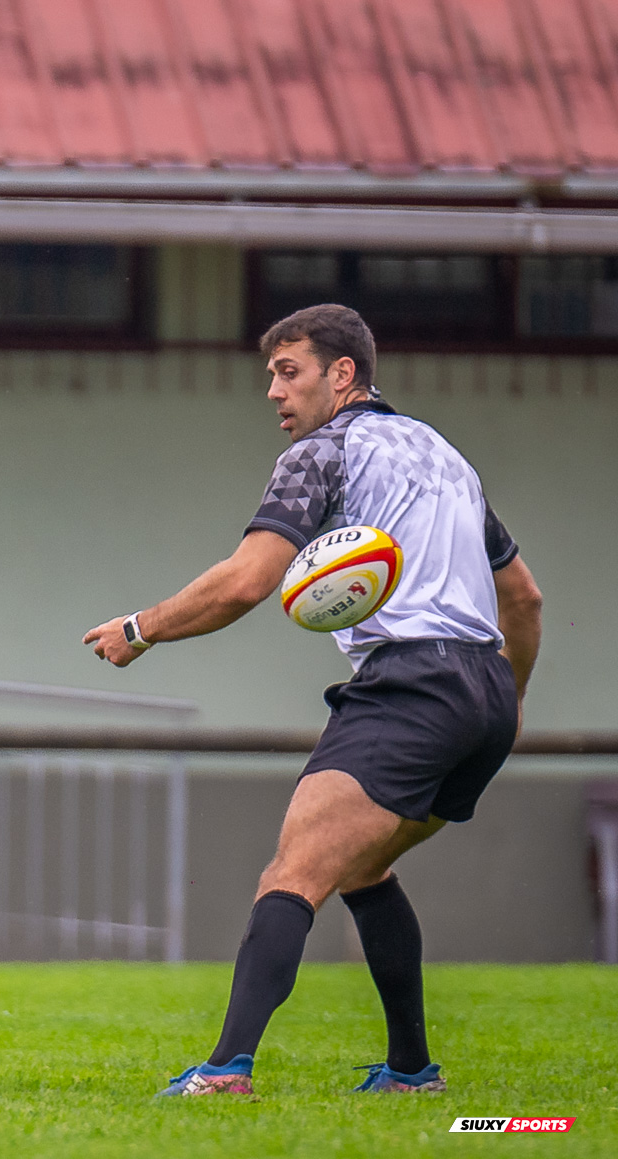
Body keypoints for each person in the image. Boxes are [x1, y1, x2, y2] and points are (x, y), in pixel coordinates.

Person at [83, 304, 543, 1098]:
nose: (273, 391)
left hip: (413, 687)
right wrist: (510, 698)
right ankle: (409, 1072)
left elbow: (247, 582)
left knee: (292, 873)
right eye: (270, 375)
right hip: (484, 698)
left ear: (342, 374)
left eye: (287, 372)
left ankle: (226, 1071)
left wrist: (140, 627)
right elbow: (526, 601)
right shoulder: (445, 457)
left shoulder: (322, 453)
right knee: (360, 869)